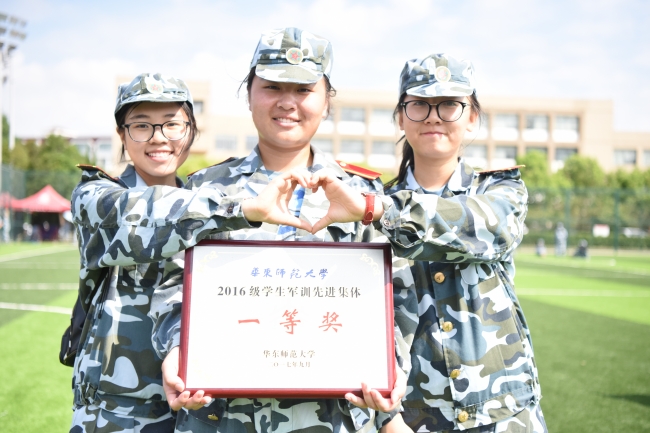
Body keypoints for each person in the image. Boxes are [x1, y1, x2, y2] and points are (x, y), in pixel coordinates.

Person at [149, 27, 409, 433]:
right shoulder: (205, 190)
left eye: (304, 90)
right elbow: (172, 285)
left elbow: (394, 297)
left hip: (333, 419)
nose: (287, 102)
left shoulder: (363, 195)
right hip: (222, 418)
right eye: (272, 87)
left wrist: (390, 369)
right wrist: (178, 350)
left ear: (327, 101)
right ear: (249, 94)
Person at [307, 53, 547, 432]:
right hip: (412, 417)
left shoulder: (500, 189)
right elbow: (360, 319)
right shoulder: (369, 206)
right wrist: (387, 419)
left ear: (472, 118)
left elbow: (489, 227)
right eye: (419, 104)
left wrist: (377, 210)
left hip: (503, 410)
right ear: (401, 118)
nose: (434, 116)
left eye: (450, 104)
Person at [70, 73, 313, 433]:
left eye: (172, 125)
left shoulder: (207, 201)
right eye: (141, 126)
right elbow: (143, 216)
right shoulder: (96, 196)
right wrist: (241, 209)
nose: (158, 138)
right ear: (122, 134)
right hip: (117, 410)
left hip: (198, 407)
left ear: (191, 131)